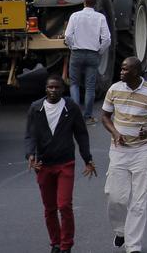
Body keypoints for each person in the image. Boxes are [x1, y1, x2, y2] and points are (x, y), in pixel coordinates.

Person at [102, 56, 147, 253]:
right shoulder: (114, 89)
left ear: (136, 72)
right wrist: (115, 132)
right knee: (115, 197)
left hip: (142, 151)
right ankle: (121, 231)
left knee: (139, 201)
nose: (121, 72)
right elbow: (105, 116)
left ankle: (133, 246)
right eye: (121, 69)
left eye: (125, 70)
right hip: (119, 150)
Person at [26, 75, 95, 253]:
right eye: (50, 87)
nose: (53, 91)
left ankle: (66, 245)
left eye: (57, 87)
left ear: (63, 90)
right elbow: (30, 135)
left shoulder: (71, 107)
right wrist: (30, 155)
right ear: (45, 89)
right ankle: (55, 243)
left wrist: (87, 159)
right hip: (43, 165)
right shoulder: (36, 108)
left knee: (64, 205)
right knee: (49, 208)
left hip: (65, 163)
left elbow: (81, 134)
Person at [64, 0, 111, 123]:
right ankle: (88, 115)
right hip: (93, 54)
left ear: (84, 2)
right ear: (95, 3)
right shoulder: (100, 17)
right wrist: (100, 51)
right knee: (90, 86)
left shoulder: (75, 16)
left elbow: (67, 36)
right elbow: (107, 39)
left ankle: (75, 115)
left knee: (74, 84)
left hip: (77, 53)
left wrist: (72, 46)